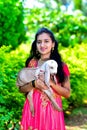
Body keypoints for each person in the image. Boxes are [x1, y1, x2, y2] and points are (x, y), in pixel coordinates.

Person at [19, 27, 71, 130]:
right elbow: (21, 89)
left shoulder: (61, 66)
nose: (42, 45)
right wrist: (33, 84)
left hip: (52, 112)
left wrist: (51, 83)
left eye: (46, 41)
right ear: (36, 44)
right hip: (32, 109)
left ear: (53, 44)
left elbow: (67, 93)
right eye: (39, 42)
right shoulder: (31, 63)